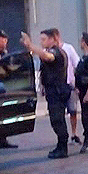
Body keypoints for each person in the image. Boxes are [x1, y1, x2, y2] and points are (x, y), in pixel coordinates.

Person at [21, 28, 70, 159]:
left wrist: (31, 46)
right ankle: (60, 146)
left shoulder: (56, 52)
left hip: (57, 91)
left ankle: (62, 148)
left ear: (52, 39)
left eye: (43, 39)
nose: (41, 42)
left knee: (57, 119)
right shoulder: (51, 51)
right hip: (53, 90)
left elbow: (48, 57)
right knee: (56, 119)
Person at [60, 38, 82, 144]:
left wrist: (77, 83)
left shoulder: (68, 48)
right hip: (57, 87)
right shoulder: (48, 51)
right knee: (58, 113)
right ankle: (62, 136)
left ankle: (74, 133)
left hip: (70, 84)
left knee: (73, 111)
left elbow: (77, 64)